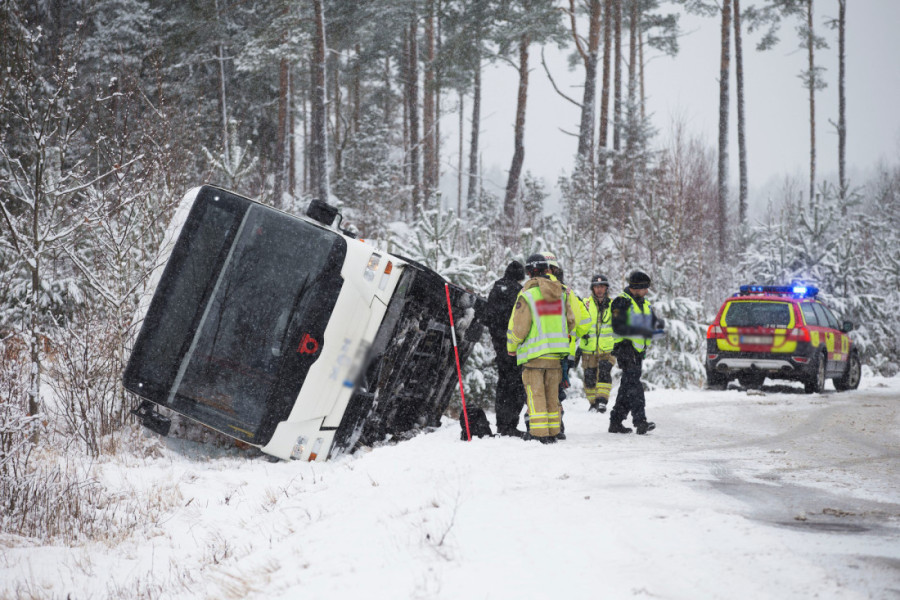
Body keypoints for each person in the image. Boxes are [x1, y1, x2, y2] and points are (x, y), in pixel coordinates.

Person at [506, 254, 577, 443]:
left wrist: (512, 346)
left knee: (535, 394)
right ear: (547, 270)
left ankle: (539, 435)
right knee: (552, 395)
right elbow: (571, 321)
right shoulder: (561, 294)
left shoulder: (528, 295)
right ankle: (554, 431)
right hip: (556, 357)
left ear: (529, 272)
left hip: (534, 356)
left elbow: (519, 327)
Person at [608, 270, 665, 435]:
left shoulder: (644, 303)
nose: (647, 291)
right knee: (634, 386)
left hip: (639, 350)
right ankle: (641, 421)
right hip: (626, 349)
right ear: (636, 287)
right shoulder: (621, 302)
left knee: (627, 386)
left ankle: (616, 421)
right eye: (645, 288)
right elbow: (618, 325)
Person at [483, 261, 527, 437]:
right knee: (516, 386)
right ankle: (510, 424)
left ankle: (502, 424)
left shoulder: (495, 289)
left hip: (499, 346)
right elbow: (521, 319)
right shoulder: (518, 291)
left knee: (503, 385)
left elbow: (487, 317)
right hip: (513, 346)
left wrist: (497, 336)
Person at [580, 274, 616, 413]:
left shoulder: (613, 305)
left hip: (607, 348)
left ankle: (602, 401)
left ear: (606, 288)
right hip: (588, 348)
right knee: (589, 377)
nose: (599, 290)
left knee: (604, 372)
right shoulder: (585, 303)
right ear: (592, 288)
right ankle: (593, 402)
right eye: (596, 287)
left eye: (602, 286)